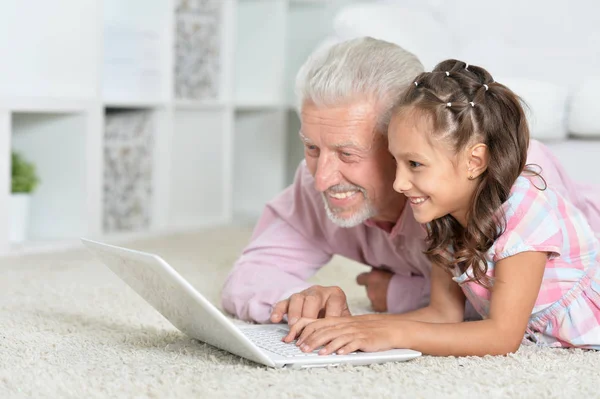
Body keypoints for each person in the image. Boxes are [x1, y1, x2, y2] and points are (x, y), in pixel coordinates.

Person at [221, 37, 600, 326]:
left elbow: (528, 305)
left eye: (348, 154)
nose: (321, 179)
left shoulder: (506, 179)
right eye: (311, 147)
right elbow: (249, 277)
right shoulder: (316, 181)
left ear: (402, 141)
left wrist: (404, 294)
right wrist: (296, 298)